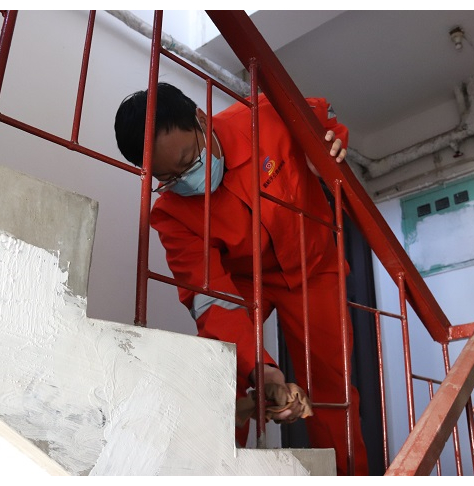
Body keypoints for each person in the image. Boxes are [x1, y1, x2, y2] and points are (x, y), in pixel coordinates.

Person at [114, 82, 369, 475]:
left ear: (201, 120)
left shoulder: (265, 116)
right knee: (221, 374)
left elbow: (324, 117)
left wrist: (330, 146)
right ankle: (219, 471)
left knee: (332, 390)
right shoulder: (170, 216)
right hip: (245, 282)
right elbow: (213, 300)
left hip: (314, 267)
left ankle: (349, 477)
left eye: (189, 160)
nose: (188, 180)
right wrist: (261, 369)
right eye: (170, 178)